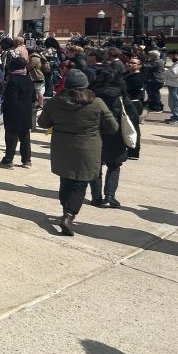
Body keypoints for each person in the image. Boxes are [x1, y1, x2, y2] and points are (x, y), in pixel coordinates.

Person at [37, 70, 118, 236]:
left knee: (65, 179)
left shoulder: (55, 102)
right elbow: (113, 127)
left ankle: (66, 208)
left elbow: (43, 122)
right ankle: (69, 215)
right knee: (80, 182)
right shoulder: (97, 103)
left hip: (62, 146)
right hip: (88, 147)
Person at [90, 68, 129, 208]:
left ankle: (96, 197)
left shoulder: (92, 94)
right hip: (116, 134)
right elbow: (133, 115)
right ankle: (110, 195)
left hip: (95, 133)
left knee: (96, 167)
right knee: (114, 166)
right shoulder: (121, 95)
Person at [0, 57, 35, 169]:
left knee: (11, 136)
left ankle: (9, 159)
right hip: (26, 111)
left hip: (14, 112)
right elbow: (33, 97)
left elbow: (11, 99)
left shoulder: (13, 81)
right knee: (25, 136)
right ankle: (26, 160)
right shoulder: (29, 80)